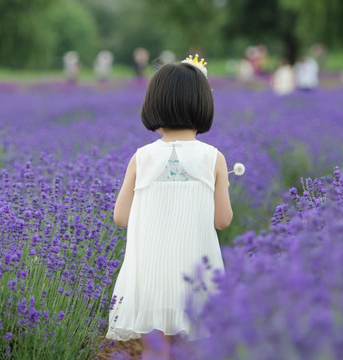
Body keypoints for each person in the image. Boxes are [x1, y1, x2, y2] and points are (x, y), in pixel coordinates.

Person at [105, 57, 233, 358]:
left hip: (151, 273)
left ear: (154, 104)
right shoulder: (213, 158)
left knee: (156, 347)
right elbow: (223, 220)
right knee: (193, 344)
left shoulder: (141, 158)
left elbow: (120, 217)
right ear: (202, 104)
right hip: (196, 271)